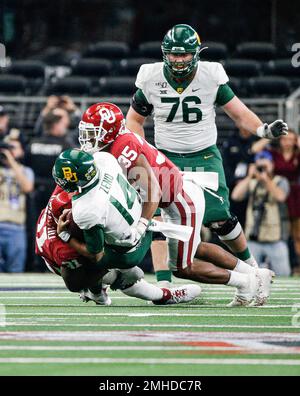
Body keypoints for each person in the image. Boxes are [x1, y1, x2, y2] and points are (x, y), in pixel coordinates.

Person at [125, 23, 288, 285]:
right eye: (174, 54)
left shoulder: (210, 75)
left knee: (220, 219)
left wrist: (263, 129)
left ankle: (252, 267)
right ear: (165, 53)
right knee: (159, 220)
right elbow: (133, 121)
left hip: (203, 156)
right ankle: (164, 285)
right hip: (165, 158)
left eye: (184, 54)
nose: (178, 60)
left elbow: (238, 112)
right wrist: (146, 153)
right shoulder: (150, 77)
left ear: (196, 54)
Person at [78, 102, 274, 306]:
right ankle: (256, 274)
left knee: (182, 267)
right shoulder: (114, 146)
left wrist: (143, 222)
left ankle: (247, 282)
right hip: (175, 196)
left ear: (110, 132)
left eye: (93, 133)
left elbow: (153, 190)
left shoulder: (123, 148)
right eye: (86, 132)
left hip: (179, 200)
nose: (88, 139)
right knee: (195, 248)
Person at [52, 148, 202, 305]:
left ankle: (134, 283)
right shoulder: (105, 160)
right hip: (143, 226)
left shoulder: (86, 209)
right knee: (88, 234)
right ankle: (104, 286)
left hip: (130, 251)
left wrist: (65, 236)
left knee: (76, 276)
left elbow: (95, 254)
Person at [231, 151, 291, 276]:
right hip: (254, 239)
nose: (262, 168)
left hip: (276, 239)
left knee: (284, 275)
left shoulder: (281, 181)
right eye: (260, 165)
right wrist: (249, 176)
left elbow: (280, 197)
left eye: (265, 165)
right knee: (248, 275)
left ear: (272, 165)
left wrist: (266, 180)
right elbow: (235, 195)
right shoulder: (252, 183)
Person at [252, 131, 300, 274]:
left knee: (297, 233)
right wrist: (270, 136)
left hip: (295, 194)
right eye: (285, 139)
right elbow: (254, 149)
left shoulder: (297, 155)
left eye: (291, 139)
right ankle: (285, 262)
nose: (287, 142)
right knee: (281, 231)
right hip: (274, 191)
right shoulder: (273, 153)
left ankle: (297, 264)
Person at [27, 108, 73, 216]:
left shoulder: (32, 144)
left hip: (34, 192)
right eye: (63, 124)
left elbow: (25, 165)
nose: (65, 127)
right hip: (56, 194)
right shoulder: (65, 147)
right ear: (56, 125)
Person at [0, 134, 34, 272]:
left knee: (16, 270)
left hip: (17, 227)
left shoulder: (26, 171)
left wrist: (12, 161)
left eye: (13, 148)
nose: (10, 151)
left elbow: (27, 187)